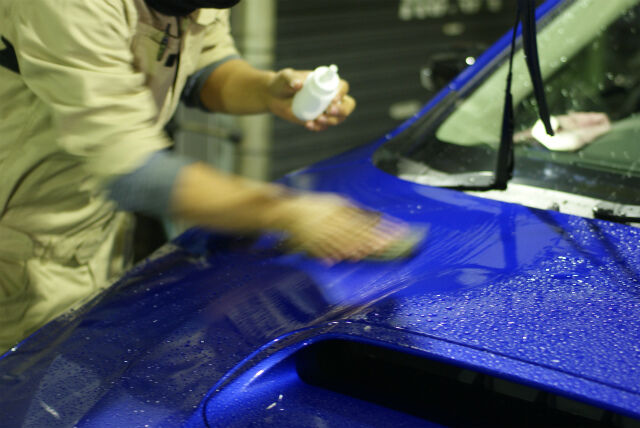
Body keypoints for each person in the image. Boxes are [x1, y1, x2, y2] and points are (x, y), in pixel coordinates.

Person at [0, 0, 407, 352]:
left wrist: (267, 90)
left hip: (88, 228)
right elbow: (131, 170)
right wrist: (288, 211)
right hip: (20, 246)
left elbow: (200, 69)